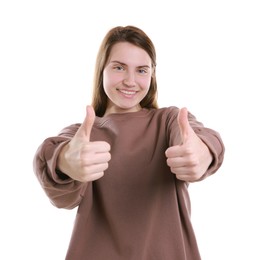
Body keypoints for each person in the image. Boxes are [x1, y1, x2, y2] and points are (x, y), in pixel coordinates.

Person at [33, 25, 225, 260]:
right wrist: (64, 162)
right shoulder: (83, 134)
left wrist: (202, 152)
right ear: (101, 70)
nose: (130, 81)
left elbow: (200, 138)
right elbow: (52, 156)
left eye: (142, 70)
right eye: (119, 67)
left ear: (152, 75)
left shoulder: (167, 121)